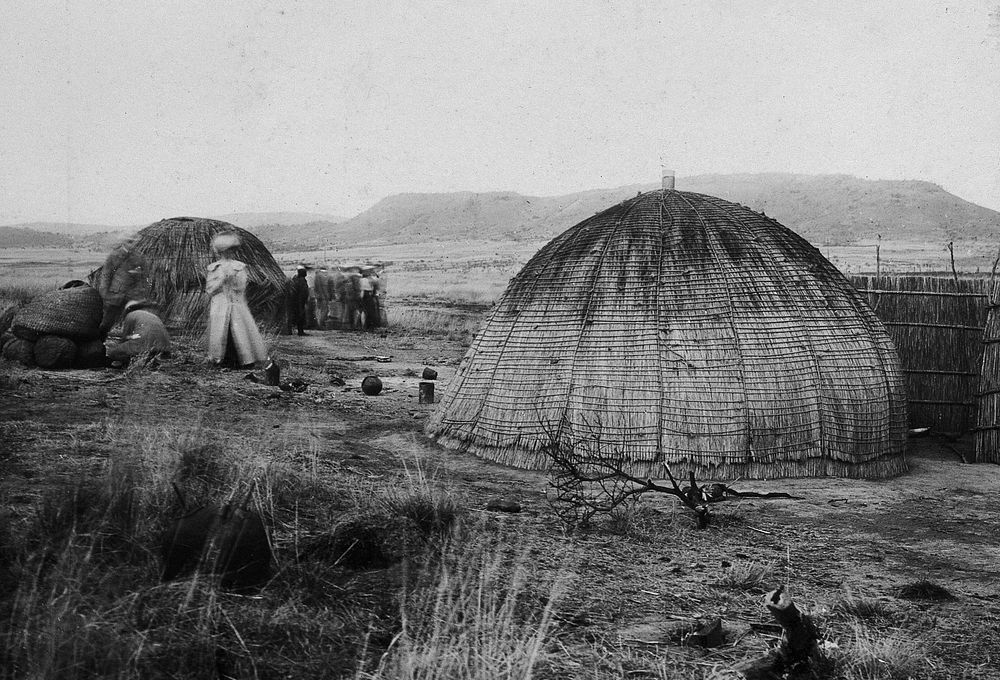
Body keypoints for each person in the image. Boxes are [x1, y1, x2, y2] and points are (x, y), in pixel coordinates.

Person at [205, 233, 269, 367]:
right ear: (221, 251)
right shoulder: (214, 268)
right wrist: (222, 281)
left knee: (239, 331)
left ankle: (242, 360)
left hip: (236, 304)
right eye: (227, 250)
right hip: (220, 306)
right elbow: (210, 289)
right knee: (221, 330)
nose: (229, 253)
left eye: (232, 250)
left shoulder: (239, 267)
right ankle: (220, 359)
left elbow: (241, 287)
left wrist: (232, 280)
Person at [96, 237, 147, 336]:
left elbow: (144, 276)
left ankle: (130, 339)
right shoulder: (114, 255)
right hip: (116, 293)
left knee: (133, 318)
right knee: (108, 320)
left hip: (132, 294)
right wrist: (104, 292)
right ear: (124, 243)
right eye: (130, 242)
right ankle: (100, 339)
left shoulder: (139, 257)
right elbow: (106, 275)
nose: (132, 244)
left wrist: (140, 289)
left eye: (134, 242)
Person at [104, 300, 171, 368]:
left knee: (113, 352)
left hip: (146, 343)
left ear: (127, 310)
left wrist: (117, 347)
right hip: (165, 345)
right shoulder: (152, 315)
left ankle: (124, 365)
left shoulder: (130, 315)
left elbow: (125, 338)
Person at [287, 265, 310, 336]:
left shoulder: (295, 279)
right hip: (299, 301)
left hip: (294, 301)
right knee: (300, 315)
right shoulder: (302, 280)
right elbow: (302, 292)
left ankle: (291, 330)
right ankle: (300, 331)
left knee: (294, 315)